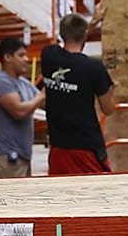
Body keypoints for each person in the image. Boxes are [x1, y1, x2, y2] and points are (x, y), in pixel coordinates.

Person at [38, 10, 118, 175]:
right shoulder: (93, 68)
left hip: (58, 148)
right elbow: (108, 109)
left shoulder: (48, 56)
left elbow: (72, 36)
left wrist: (92, 23)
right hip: (86, 149)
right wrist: (110, 90)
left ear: (61, 33)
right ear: (85, 34)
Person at [0, 36, 44, 177]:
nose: (26, 59)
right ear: (7, 57)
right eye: (21, 55)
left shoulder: (25, 83)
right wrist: (41, 96)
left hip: (23, 156)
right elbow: (19, 111)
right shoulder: (0, 82)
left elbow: (45, 103)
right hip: (6, 158)